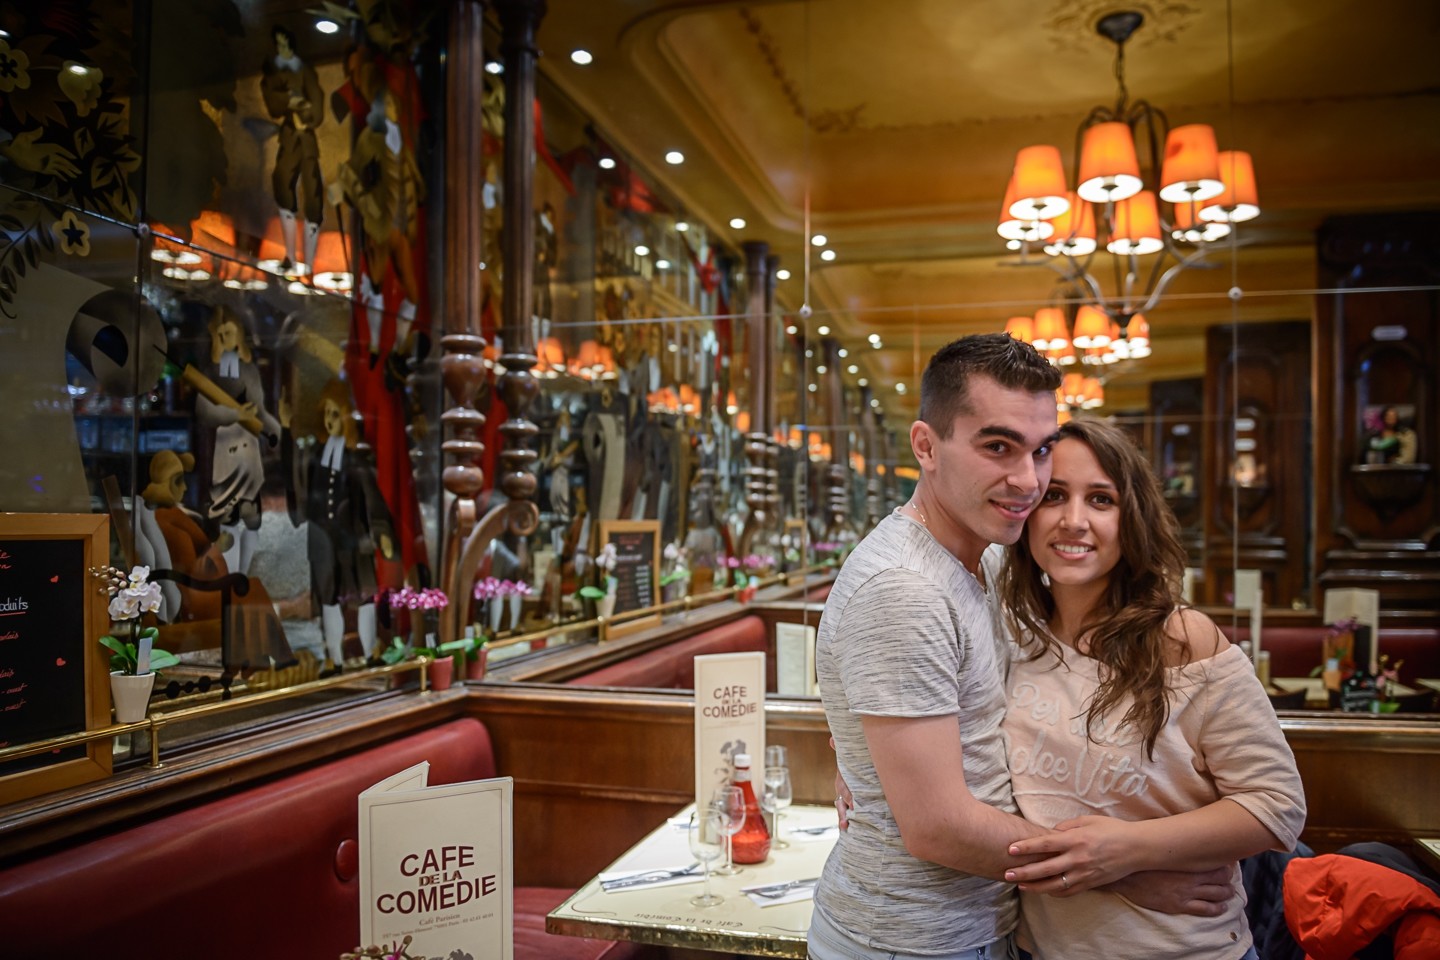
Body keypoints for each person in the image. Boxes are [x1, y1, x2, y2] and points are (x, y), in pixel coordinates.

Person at [997, 417, 1306, 959]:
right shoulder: (1010, 635)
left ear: (1132, 517)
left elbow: (1276, 805)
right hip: (1036, 949)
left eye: (1101, 500)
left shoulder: (1183, 640)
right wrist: (1120, 876)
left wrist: (1127, 851)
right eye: (1054, 496)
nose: (1074, 521)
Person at [811, 333, 1063, 960]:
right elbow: (937, 828)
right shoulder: (904, 589)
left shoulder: (990, 557)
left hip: (980, 921)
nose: (1027, 479)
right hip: (908, 939)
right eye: (998, 447)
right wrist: (1123, 869)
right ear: (926, 446)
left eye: (1041, 450)